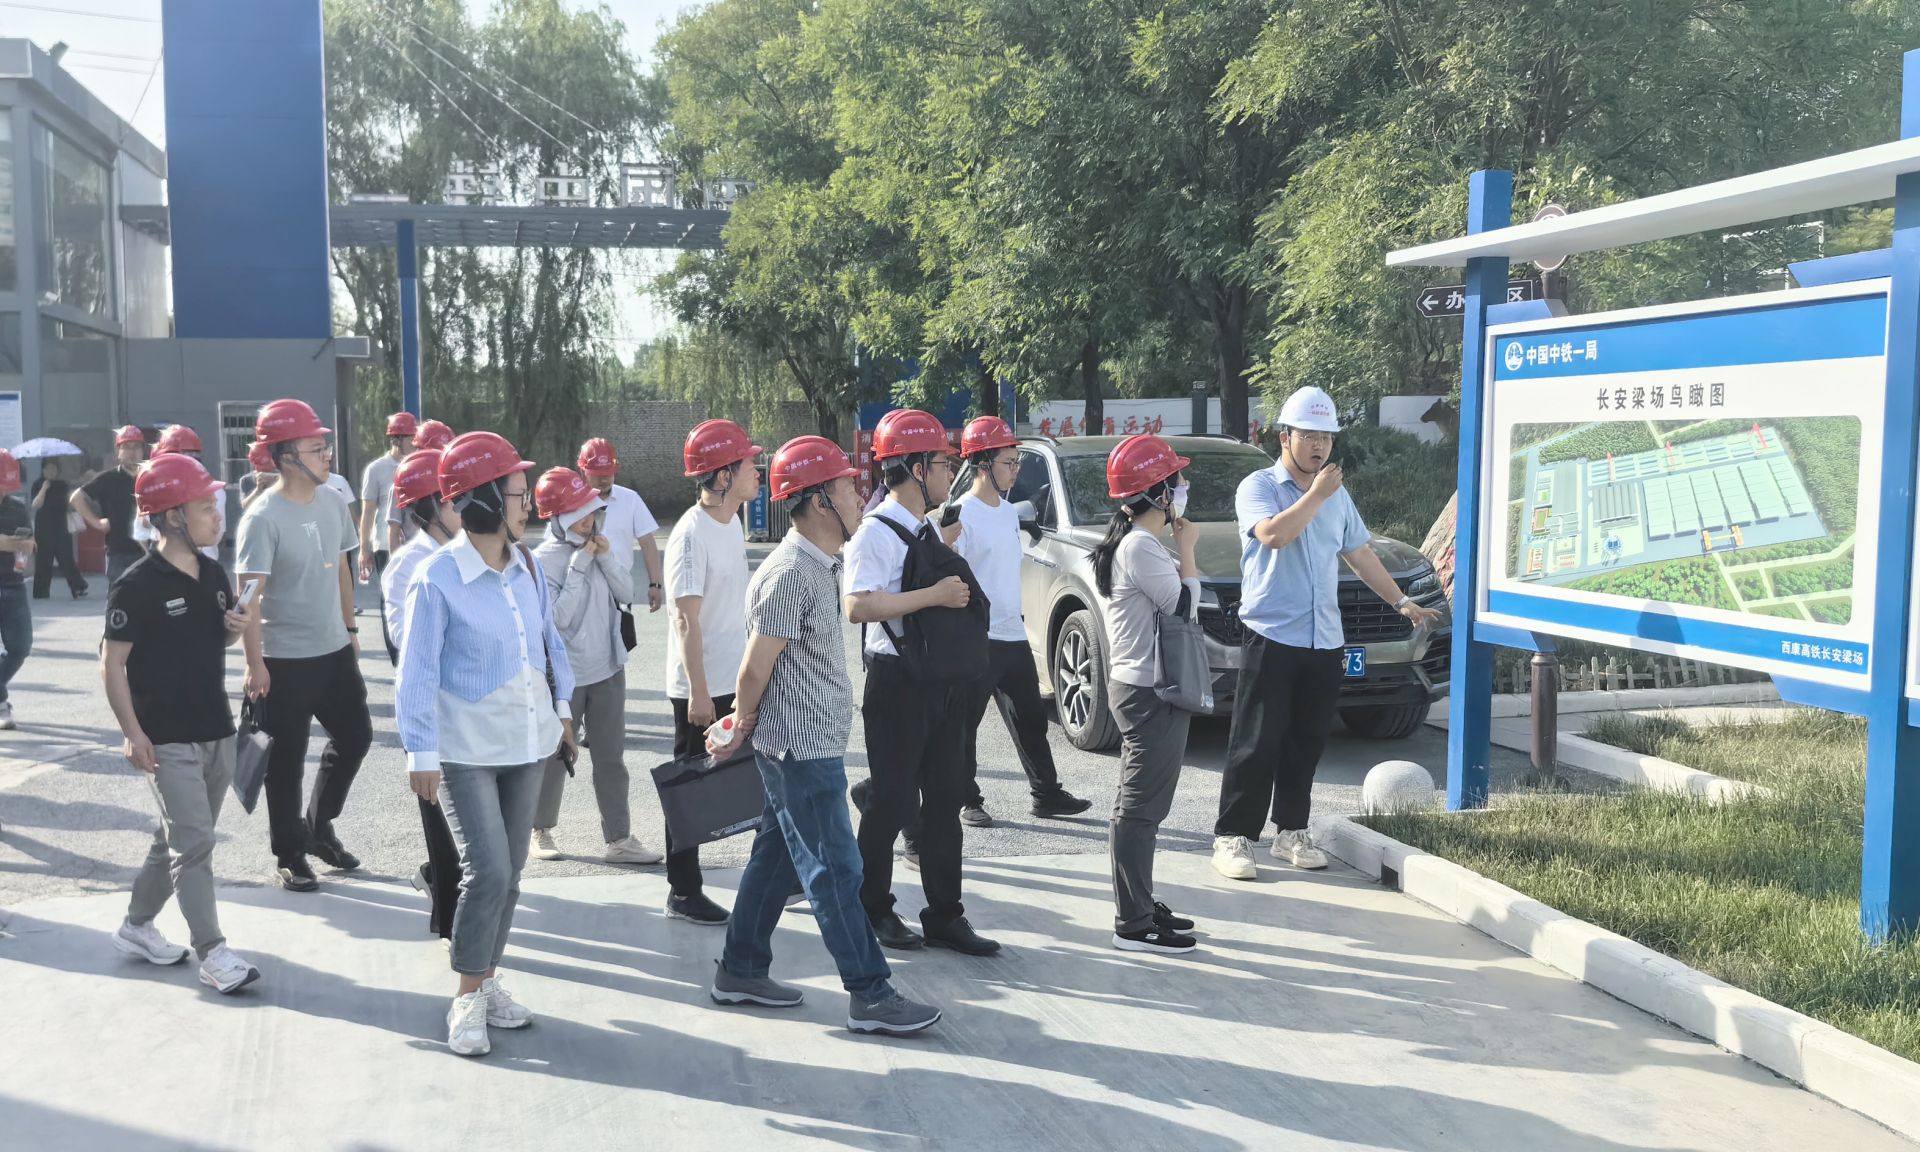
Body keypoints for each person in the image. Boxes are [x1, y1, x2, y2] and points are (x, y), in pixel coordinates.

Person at [706, 435, 942, 1035]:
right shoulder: (790, 573)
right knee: (836, 870)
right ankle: (871, 993)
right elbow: (754, 668)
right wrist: (739, 724)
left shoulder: (819, 564)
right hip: (800, 752)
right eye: (848, 488)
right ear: (818, 501)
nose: (862, 497)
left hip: (806, 746)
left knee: (776, 859)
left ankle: (740, 969)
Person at [1211, 387, 1444, 881]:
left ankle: (1291, 831)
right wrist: (1316, 494)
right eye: (1309, 435)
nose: (1319, 445)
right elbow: (1274, 535)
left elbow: (1359, 554)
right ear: (1284, 437)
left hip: (1324, 638)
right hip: (1272, 633)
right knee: (1256, 740)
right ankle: (1233, 836)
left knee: (1307, 741)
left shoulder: (1337, 495)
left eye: (1327, 437)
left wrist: (1401, 602)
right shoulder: (1259, 486)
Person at [397, 432, 576, 1058]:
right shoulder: (437, 577)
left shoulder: (527, 566)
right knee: (489, 870)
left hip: (527, 742)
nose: (530, 506)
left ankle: (489, 978)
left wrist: (562, 709)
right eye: (518, 495)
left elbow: (548, 642)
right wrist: (420, 752)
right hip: (465, 751)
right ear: (483, 501)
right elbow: (416, 672)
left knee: (513, 873)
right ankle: (467, 997)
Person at [102, 453, 260, 993]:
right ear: (173, 517)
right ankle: (214, 953)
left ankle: (136, 925)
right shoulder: (136, 584)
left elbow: (216, 639)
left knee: (179, 837)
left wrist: (235, 627)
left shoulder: (213, 573)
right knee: (194, 845)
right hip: (166, 739)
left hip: (217, 730)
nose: (217, 515)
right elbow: (112, 664)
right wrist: (133, 733)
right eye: (205, 507)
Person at [843, 409, 998, 956]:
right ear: (914, 468)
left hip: (941, 680)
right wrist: (934, 594)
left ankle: (945, 915)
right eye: (941, 463)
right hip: (897, 684)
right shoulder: (875, 531)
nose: (949, 473)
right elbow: (858, 606)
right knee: (890, 801)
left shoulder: (925, 525)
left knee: (945, 799)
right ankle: (873, 908)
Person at [236, 399, 372, 893]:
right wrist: (254, 663)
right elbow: (248, 597)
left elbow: (341, 569)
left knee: (356, 737)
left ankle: (317, 826)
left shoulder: (333, 501)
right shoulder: (261, 518)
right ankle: (290, 853)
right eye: (317, 448)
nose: (327, 455)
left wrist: (350, 629)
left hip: (333, 651)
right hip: (283, 660)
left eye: (324, 447)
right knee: (285, 763)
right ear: (287, 456)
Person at [944, 416, 1091, 825]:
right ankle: (967, 799)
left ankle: (1046, 794)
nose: (1015, 471)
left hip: (1012, 631)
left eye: (1017, 462)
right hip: (975, 636)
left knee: (1031, 718)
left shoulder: (1009, 513)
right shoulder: (961, 514)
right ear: (982, 464)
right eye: (1008, 462)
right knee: (965, 726)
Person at [1088, 434, 1202, 954]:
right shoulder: (1138, 545)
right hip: (1148, 690)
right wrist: (1189, 549)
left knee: (1139, 806)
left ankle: (1139, 901)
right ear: (1159, 494)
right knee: (1139, 809)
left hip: (1141, 686)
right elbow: (1183, 608)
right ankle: (1133, 923)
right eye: (1176, 480)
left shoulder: (1136, 544)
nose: (1183, 486)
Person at [528, 467, 663, 868]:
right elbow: (558, 619)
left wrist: (604, 557)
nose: (589, 520)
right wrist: (581, 565)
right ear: (558, 518)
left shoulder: (599, 544)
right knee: (555, 756)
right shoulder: (541, 561)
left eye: (591, 512)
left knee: (611, 758)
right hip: (564, 677)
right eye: (580, 515)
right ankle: (539, 829)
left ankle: (619, 838)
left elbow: (625, 591)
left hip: (608, 668)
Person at [660, 419, 763, 925]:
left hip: (733, 677)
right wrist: (699, 693)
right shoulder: (690, 535)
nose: (757, 471)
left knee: (756, 777)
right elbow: (686, 619)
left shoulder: (732, 522)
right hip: (699, 688)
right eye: (748, 465)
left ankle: (775, 875)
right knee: (691, 791)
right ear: (723, 477)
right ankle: (683, 891)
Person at [382, 448, 462, 941]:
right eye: (452, 500)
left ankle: (441, 885)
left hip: (470, 711)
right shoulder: (408, 565)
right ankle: (454, 929)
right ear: (428, 509)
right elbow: (405, 643)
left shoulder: (468, 551)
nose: (461, 507)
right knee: (444, 828)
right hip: (434, 714)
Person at [576, 436, 665, 616]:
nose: (604, 480)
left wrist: (655, 584)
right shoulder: (572, 502)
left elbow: (647, 541)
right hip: (581, 591)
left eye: (608, 474)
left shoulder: (630, 499)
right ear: (583, 471)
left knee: (622, 633)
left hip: (619, 589)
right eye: (598, 475)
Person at [360, 412, 417, 661]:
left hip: (415, 544)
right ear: (396, 439)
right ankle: (397, 657)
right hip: (385, 546)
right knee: (391, 600)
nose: (415, 443)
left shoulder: (419, 466)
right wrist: (364, 548)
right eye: (411, 438)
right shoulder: (377, 470)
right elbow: (368, 511)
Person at [73, 425, 148, 588]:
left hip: (148, 552)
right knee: (119, 599)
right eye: (126, 447)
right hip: (119, 554)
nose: (132, 452)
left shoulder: (151, 477)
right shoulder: (108, 479)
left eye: (136, 447)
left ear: (143, 450)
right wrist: (96, 522)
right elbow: (76, 498)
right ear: (118, 451)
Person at [138, 425, 224, 562]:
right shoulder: (154, 489)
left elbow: (142, 532)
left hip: (192, 564)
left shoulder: (213, 490)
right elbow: (141, 531)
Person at [0, 452, 33, 730]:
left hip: (13, 583)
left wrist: (26, 544)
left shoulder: (17, 508)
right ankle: (1, 704)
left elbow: (30, 541)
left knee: (20, 647)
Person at [389, 419, 456, 548]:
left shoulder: (452, 482)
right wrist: (396, 556)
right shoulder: (402, 486)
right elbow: (394, 529)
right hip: (418, 551)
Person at [29, 458, 87, 599]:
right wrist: (44, 488)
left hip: (61, 527)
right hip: (43, 528)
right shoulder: (37, 484)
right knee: (43, 560)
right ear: (43, 470)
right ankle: (41, 592)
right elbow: (36, 504)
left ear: (58, 470)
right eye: (47, 469)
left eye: (53, 469)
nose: (50, 471)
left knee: (66, 558)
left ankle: (78, 587)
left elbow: (70, 502)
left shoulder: (63, 485)